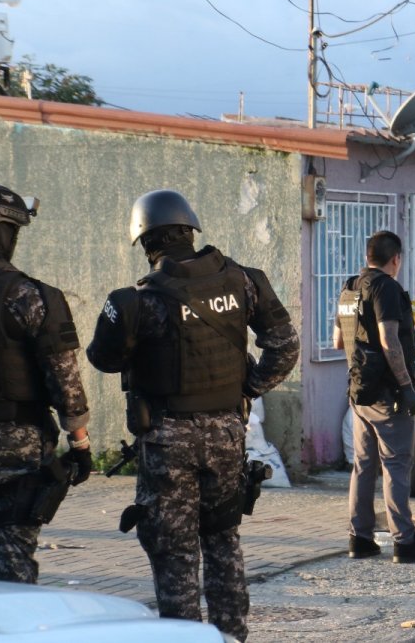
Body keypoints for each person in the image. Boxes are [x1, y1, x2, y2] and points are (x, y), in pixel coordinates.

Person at [87, 189, 299, 641]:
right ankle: (232, 636)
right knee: (223, 540)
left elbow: (102, 359)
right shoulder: (245, 281)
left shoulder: (135, 301)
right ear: (190, 230)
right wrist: (250, 387)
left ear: (147, 244)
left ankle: (184, 637)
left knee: (174, 551)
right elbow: (286, 346)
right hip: (227, 431)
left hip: (167, 441)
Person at [0, 183, 92, 584]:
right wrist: (81, 443)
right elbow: (64, 380)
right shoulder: (28, 295)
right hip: (17, 453)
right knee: (14, 568)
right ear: (1, 231)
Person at [337, 230, 415, 564]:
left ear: (368, 256)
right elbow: (389, 340)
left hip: (358, 393)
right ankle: (404, 543)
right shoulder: (387, 288)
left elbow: (340, 341)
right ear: (396, 259)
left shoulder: (349, 288)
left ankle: (360, 539)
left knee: (363, 466)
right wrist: (407, 387)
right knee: (396, 466)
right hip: (386, 394)